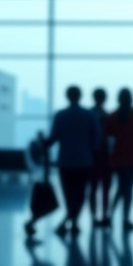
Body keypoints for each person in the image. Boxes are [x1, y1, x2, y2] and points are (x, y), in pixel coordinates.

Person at [50, 85, 100, 236]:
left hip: (65, 160)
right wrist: (88, 149)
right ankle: (73, 221)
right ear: (80, 96)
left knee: (68, 193)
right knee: (80, 193)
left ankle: (70, 220)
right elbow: (96, 139)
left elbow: (54, 137)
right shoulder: (89, 115)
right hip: (84, 160)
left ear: (67, 96)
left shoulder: (60, 115)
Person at [106, 88, 133, 231]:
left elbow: (107, 136)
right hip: (132, 156)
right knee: (128, 190)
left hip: (118, 156)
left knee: (121, 188)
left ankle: (110, 215)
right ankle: (125, 218)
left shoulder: (112, 116)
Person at [88, 87, 113, 228]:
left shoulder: (89, 114)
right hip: (105, 155)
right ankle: (104, 216)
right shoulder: (108, 116)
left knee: (93, 188)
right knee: (105, 189)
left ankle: (93, 217)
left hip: (92, 155)